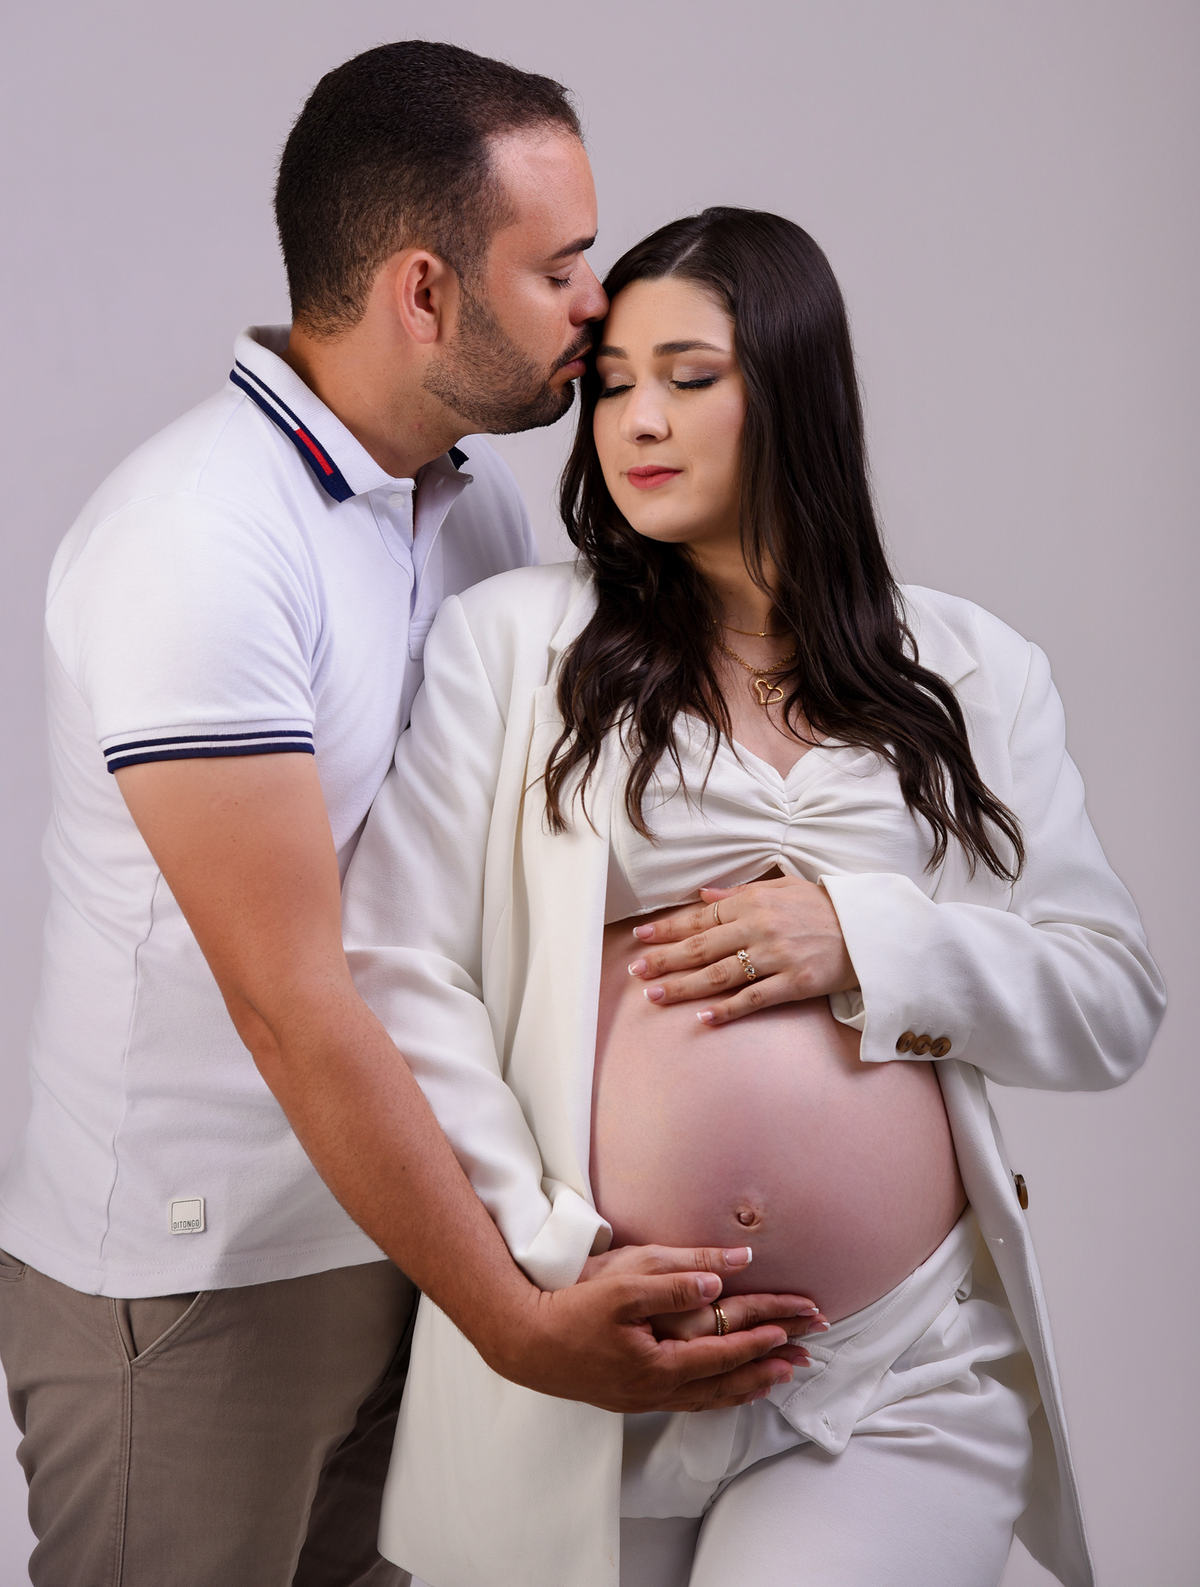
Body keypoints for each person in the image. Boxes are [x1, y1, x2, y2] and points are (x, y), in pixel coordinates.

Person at [0, 53, 806, 1587]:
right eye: (560, 267)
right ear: (425, 292)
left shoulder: (467, 503)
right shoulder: (199, 540)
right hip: (208, 1279)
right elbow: (291, 998)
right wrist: (521, 1322)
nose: (599, 304)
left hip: (408, 1233)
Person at [341, 207, 1165, 1587]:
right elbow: (400, 967)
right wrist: (551, 1252)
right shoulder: (518, 644)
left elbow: (1110, 997)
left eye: (690, 376)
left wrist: (864, 939)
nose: (638, 421)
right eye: (612, 384)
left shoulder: (971, 667)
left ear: (793, 389)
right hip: (600, 1363)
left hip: (891, 1369)